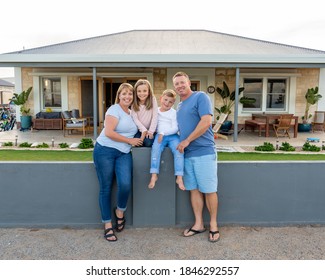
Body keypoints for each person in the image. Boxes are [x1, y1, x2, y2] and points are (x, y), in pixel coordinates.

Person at [172, 71, 220, 243]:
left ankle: (213, 225)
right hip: (187, 154)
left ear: (189, 82)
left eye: (182, 82)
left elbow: (206, 121)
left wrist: (187, 140)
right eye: (176, 84)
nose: (179, 86)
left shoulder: (201, 97)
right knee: (194, 189)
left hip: (204, 152)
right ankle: (199, 224)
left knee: (209, 190)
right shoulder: (179, 106)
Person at [93, 83, 143, 242]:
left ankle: (120, 212)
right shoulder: (113, 109)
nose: (127, 97)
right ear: (119, 96)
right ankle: (107, 225)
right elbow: (108, 132)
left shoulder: (133, 112)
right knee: (106, 188)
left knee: (125, 184)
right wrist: (130, 140)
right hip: (105, 151)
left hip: (124, 153)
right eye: (124, 94)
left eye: (130, 94)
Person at [148, 89, 185, 191]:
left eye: (170, 102)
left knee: (179, 151)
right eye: (165, 100)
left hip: (173, 136)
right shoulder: (156, 111)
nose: (167, 103)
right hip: (160, 136)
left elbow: (175, 128)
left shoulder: (173, 113)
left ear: (173, 103)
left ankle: (179, 177)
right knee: (155, 150)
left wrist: (163, 133)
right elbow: (154, 124)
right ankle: (154, 174)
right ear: (161, 99)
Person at [131, 79, 158, 147]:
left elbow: (155, 116)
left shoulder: (152, 99)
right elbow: (135, 119)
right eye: (139, 91)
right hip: (139, 129)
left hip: (150, 129)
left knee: (148, 143)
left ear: (149, 92)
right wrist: (143, 130)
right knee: (137, 143)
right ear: (136, 92)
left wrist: (151, 131)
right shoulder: (134, 103)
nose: (142, 93)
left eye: (145, 91)